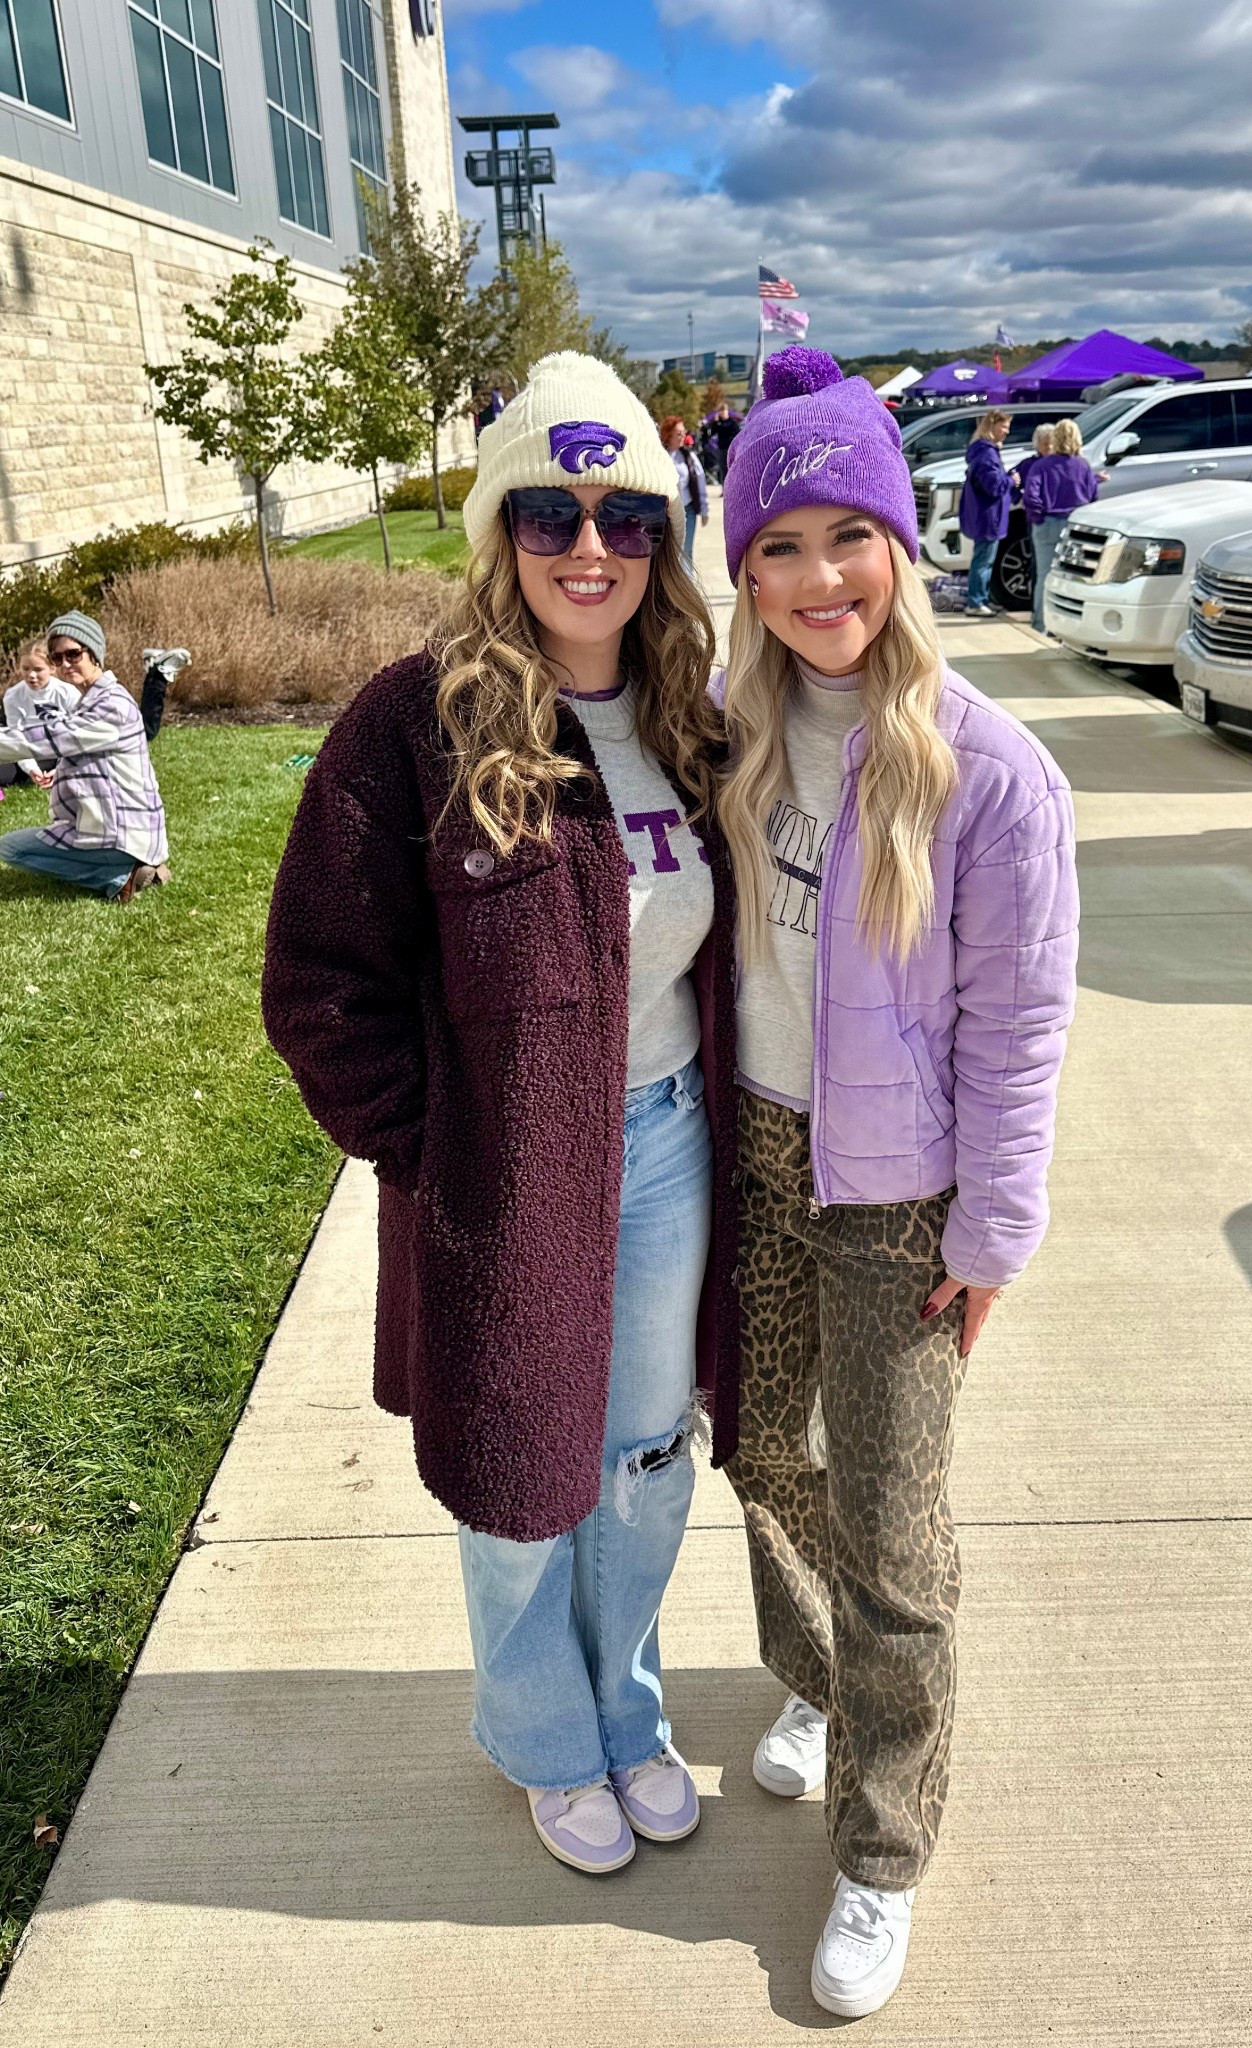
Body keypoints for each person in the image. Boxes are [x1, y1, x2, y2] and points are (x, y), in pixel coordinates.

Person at [262, 352, 742, 1879]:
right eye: (548, 509)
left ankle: (628, 1707)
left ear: (661, 540)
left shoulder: (690, 715)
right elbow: (321, 979)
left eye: (623, 514)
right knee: (522, 1457)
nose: (586, 546)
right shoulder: (416, 725)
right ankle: (542, 1735)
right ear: (496, 531)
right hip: (507, 1171)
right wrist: (431, 1142)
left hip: (665, 1139)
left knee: (645, 1451)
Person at [717, 347, 1078, 2018]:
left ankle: (883, 1842)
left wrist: (993, 1229)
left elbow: (1020, 1024)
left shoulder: (989, 770)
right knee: (762, 1448)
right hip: (753, 1148)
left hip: (900, 1196)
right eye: (775, 547)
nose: (814, 581)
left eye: (843, 534)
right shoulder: (725, 731)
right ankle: (819, 1683)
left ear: (900, 540)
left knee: (894, 1527)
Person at [0, 612, 170, 903]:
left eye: (73, 654)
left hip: (127, 832)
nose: (65, 664)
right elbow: (84, 752)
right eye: (56, 658)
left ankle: (119, 876)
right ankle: (129, 867)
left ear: (95, 654)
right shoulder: (92, 698)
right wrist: (62, 772)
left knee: (11, 849)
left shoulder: (111, 705)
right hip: (120, 826)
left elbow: (44, 738)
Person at [1023, 416, 1102, 631]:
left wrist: (1038, 517)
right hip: (1075, 527)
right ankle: (1069, 626)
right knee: (1073, 578)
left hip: (1047, 523)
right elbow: (1093, 496)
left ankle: (1040, 624)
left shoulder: (1041, 466)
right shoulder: (1083, 466)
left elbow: (1031, 496)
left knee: (1044, 576)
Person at [958, 406, 1015, 617]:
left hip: (987, 516)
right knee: (983, 561)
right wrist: (1011, 480)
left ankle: (982, 597)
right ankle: (975, 602)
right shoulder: (986, 454)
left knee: (985, 560)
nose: (1007, 431)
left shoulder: (983, 452)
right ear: (992, 426)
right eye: (1004, 426)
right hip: (988, 517)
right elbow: (993, 486)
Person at [1, 639, 77, 794]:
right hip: (28, 751)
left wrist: (62, 769)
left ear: (52, 668)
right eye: (26, 669)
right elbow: (16, 739)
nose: (31, 675)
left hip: (61, 751)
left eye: (38, 669)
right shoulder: (12, 696)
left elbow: (77, 738)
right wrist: (31, 769)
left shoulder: (68, 693)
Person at [660, 414, 709, 563]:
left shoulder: (689, 456)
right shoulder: (659, 456)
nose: (683, 436)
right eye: (679, 433)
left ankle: (687, 585)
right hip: (664, 513)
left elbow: (700, 481)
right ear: (669, 435)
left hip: (687, 511)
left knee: (686, 552)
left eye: (684, 432)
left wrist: (704, 510)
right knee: (667, 554)